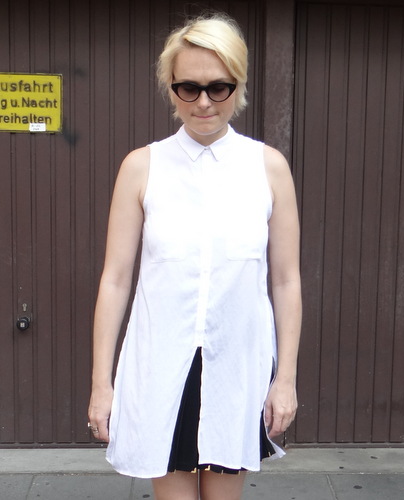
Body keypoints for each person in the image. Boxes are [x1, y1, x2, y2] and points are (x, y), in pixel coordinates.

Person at [87, 12, 302, 500]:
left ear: (238, 85)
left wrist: (285, 379)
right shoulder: (142, 167)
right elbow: (115, 279)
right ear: (171, 88)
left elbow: (286, 280)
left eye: (218, 88)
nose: (204, 102)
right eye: (189, 87)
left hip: (237, 366)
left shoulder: (268, 168)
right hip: (162, 365)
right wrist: (102, 384)